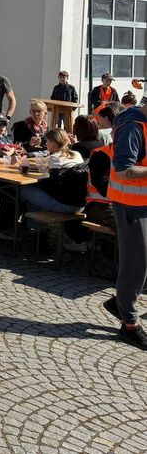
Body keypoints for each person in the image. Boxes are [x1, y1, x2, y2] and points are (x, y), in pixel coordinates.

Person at [102, 95, 147, 350]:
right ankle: (129, 323)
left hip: (142, 204)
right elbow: (122, 170)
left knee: (142, 262)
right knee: (136, 264)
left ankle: (120, 302)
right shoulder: (133, 126)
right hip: (131, 205)